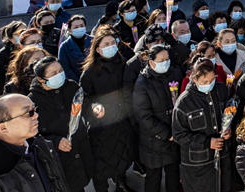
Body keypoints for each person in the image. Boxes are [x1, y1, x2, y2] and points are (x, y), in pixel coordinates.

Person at [0, 93, 69, 191]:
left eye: (35, 110)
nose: (36, 115)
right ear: (3, 128)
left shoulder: (39, 146)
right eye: (28, 113)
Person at [79, 32, 135, 192]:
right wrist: (94, 107)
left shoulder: (123, 64)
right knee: (101, 162)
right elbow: (83, 98)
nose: (111, 46)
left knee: (122, 154)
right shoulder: (90, 72)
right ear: (97, 49)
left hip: (121, 119)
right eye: (106, 44)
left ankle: (121, 183)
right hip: (101, 124)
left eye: (113, 43)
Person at [28, 57, 93, 192]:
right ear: (41, 79)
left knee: (80, 184)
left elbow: (85, 104)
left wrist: (95, 109)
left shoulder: (71, 86)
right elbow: (31, 136)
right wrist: (55, 141)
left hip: (80, 148)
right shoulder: (32, 101)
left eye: (61, 70)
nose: (59, 75)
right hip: (57, 159)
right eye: (54, 73)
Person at [172, 58, 232, 192]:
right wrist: (207, 142)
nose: (209, 84)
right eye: (204, 82)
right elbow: (178, 135)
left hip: (222, 158)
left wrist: (229, 129)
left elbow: (230, 112)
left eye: (212, 80)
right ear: (194, 79)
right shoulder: (184, 102)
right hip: (198, 164)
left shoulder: (222, 90)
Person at [133, 44, 184, 192]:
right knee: (153, 179)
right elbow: (144, 116)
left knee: (173, 176)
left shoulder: (174, 74)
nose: (165, 63)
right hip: (153, 141)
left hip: (174, 137)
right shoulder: (142, 83)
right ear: (151, 62)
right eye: (161, 60)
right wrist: (167, 134)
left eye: (167, 59)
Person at [57, 15, 91, 82]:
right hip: (77, 81)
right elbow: (66, 68)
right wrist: (78, 82)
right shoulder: (64, 47)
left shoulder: (94, 40)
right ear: (69, 30)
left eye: (82, 26)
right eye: (76, 27)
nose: (79, 28)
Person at [0, 21, 27, 87]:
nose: (22, 35)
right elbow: (0, 78)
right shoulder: (1, 56)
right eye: (18, 34)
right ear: (10, 38)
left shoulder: (34, 47)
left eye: (25, 32)